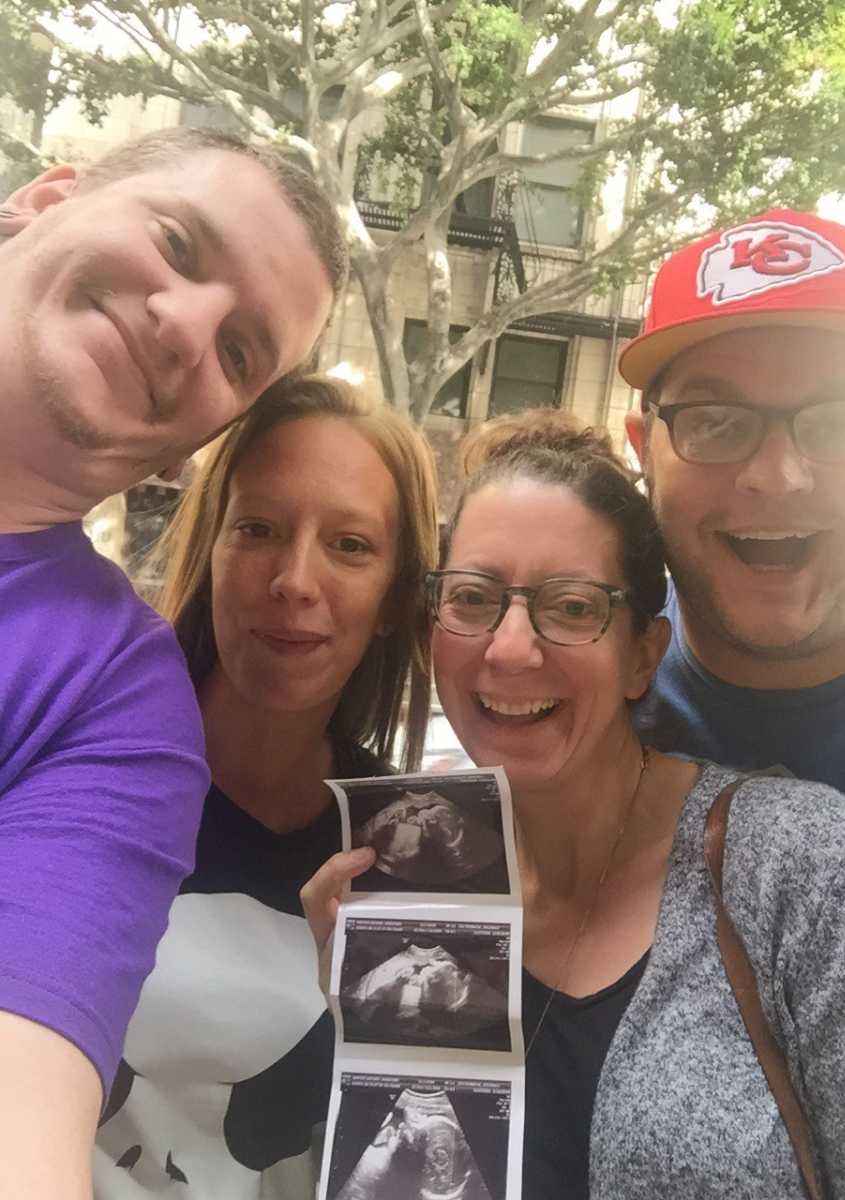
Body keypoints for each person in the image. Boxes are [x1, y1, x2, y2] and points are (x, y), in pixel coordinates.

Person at [303, 410, 845, 1200]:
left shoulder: (807, 865)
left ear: (643, 656)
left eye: (574, 607)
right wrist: (362, 1016)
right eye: (475, 597)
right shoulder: (410, 878)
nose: (510, 648)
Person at [0, 126, 344, 1197]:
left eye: (242, 350)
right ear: (45, 196)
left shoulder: (115, 713)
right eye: (177, 242)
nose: (186, 326)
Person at [94, 375, 439, 1197]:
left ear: (395, 597)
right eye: (258, 528)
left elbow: (426, 1157)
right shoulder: (82, 756)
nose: (294, 579)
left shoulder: (418, 848)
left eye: (350, 545)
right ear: (210, 549)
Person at [619, 209, 845, 847]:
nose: (778, 477)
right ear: (642, 451)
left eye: (843, 422)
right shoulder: (574, 697)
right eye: (715, 421)